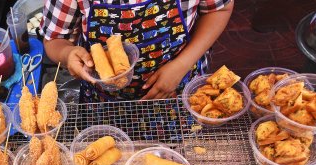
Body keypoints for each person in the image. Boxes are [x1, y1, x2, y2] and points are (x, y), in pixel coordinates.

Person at [41, 0, 234, 102]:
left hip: (179, 90)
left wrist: (182, 64)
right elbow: (55, 39)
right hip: (105, 101)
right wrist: (67, 55)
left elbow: (219, 9)